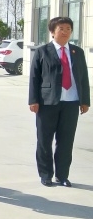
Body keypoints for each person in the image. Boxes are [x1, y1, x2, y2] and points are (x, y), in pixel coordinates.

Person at [28, 16, 90, 187]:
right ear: (52, 32)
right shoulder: (43, 51)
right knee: (44, 140)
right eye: (61, 29)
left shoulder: (77, 52)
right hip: (47, 102)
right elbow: (34, 78)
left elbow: (83, 77)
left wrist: (85, 100)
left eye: (68, 29)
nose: (65, 32)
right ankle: (46, 174)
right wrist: (33, 100)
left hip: (71, 102)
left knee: (66, 141)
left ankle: (62, 176)